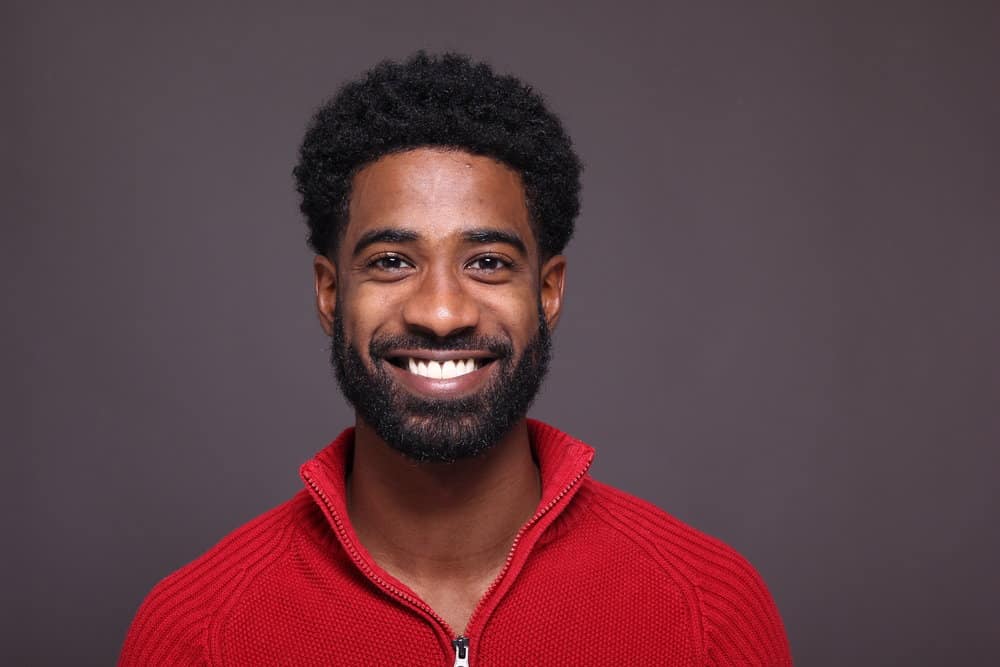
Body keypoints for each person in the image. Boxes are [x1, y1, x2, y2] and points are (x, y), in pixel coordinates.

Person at [119, 52, 792, 666]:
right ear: (330, 293)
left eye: (488, 263)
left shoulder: (709, 611)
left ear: (548, 291)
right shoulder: (198, 633)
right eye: (391, 261)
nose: (441, 312)